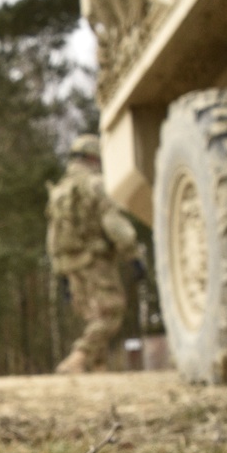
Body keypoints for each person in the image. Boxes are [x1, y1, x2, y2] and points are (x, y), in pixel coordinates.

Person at [46, 133, 139, 374]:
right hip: (94, 259)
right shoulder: (96, 184)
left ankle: (97, 367)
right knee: (111, 310)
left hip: (70, 262)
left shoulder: (59, 191)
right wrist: (133, 253)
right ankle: (80, 356)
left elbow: (53, 235)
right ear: (93, 158)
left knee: (93, 315)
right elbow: (114, 223)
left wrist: (61, 272)